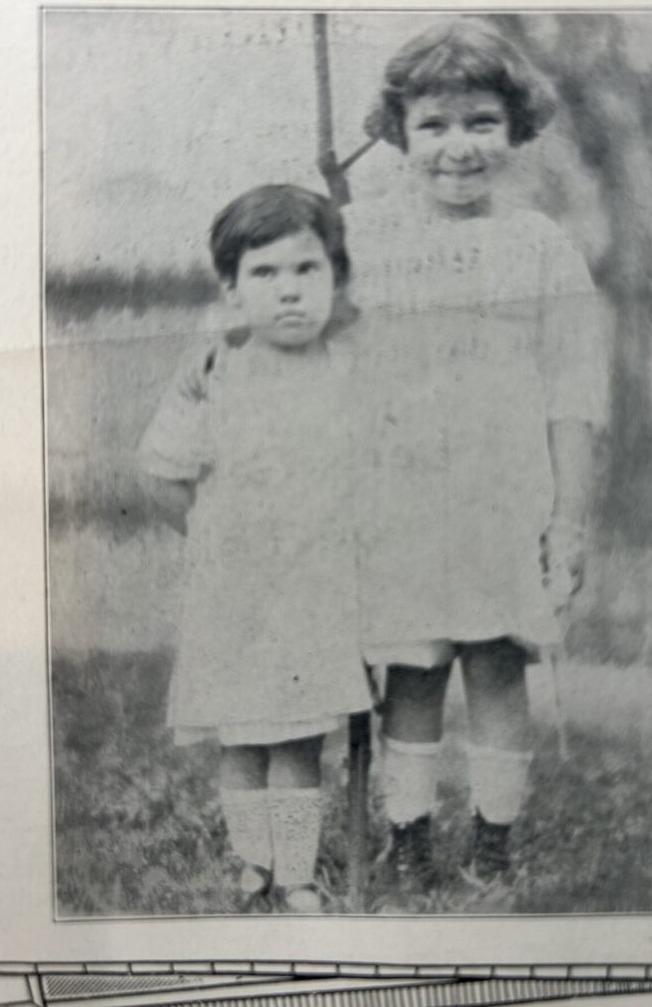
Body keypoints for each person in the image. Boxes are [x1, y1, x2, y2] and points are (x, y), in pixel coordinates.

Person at [345, 17, 609, 895]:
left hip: (507, 499)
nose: (458, 147)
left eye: (481, 123)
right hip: (400, 498)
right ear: (397, 133)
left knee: (498, 664)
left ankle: (492, 843)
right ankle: (409, 837)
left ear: (517, 126)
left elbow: (574, 396)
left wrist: (567, 521)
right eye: (434, 126)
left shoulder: (541, 246)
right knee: (412, 669)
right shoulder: (362, 238)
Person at [139, 184, 371, 914]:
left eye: (307, 271)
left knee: (299, 737)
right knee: (239, 734)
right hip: (233, 591)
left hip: (316, 587)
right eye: (264, 276)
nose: (290, 293)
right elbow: (161, 475)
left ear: (336, 279)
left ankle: (297, 873)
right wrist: (213, 542)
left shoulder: (347, 373)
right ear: (232, 291)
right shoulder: (216, 374)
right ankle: (253, 864)